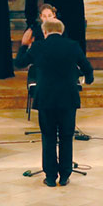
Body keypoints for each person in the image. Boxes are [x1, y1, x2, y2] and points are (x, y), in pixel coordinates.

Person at [25, 19, 94, 187]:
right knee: (66, 137)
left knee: (48, 137)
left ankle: (50, 176)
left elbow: (19, 62)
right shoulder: (72, 45)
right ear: (61, 31)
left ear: (45, 31)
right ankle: (64, 176)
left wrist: (24, 45)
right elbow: (87, 68)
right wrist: (89, 80)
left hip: (46, 99)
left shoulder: (39, 46)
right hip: (68, 98)